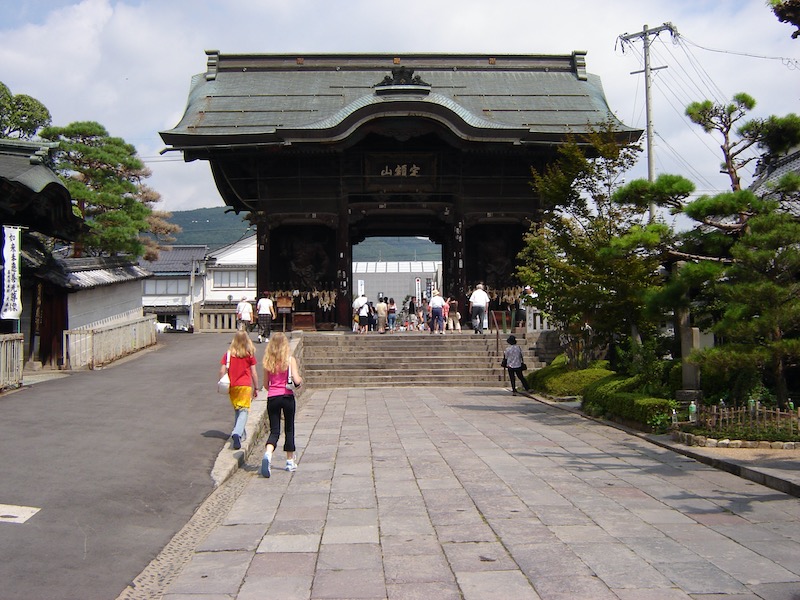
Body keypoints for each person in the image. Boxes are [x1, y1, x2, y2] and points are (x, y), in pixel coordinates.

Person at [261, 332, 302, 477]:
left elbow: (265, 385)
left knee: (274, 430)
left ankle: (268, 453)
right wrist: (300, 380)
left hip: (273, 397)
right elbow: (296, 380)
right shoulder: (290, 360)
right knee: (289, 428)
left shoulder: (268, 362)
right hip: (287, 397)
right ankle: (290, 461)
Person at [219, 330, 259, 450]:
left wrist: (221, 381)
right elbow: (254, 372)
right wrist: (256, 387)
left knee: (238, 409)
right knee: (244, 410)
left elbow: (222, 370)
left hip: (233, 386)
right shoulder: (249, 354)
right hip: (245, 385)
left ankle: (240, 434)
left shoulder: (229, 354)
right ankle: (237, 433)